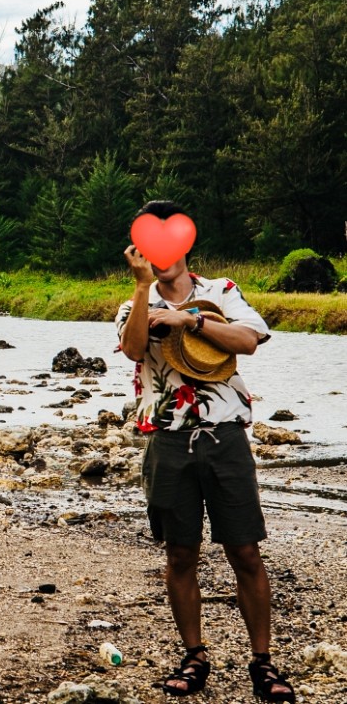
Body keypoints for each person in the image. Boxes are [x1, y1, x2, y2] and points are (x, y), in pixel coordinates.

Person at [117, 201, 294, 701]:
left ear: (186, 243)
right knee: (179, 554)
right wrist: (141, 288)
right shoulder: (136, 304)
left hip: (225, 437)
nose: (162, 255)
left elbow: (249, 339)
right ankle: (194, 656)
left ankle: (262, 661)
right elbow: (132, 350)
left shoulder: (222, 291)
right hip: (167, 439)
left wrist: (189, 321)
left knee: (244, 549)